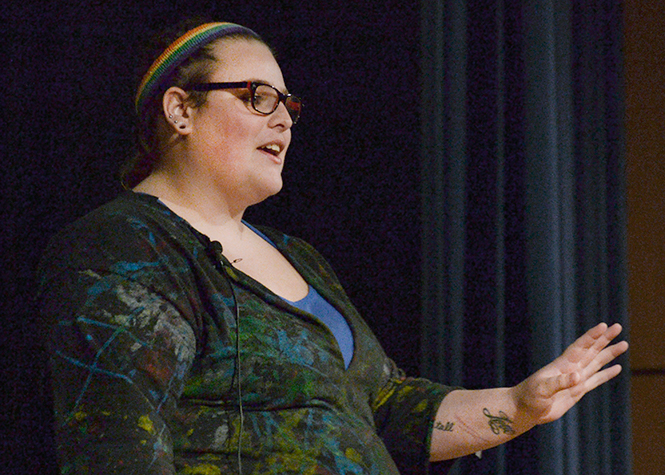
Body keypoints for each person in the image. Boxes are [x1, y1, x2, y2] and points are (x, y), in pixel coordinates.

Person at [37, 19, 628, 475]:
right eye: (257, 97)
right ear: (180, 109)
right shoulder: (127, 245)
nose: (285, 122)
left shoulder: (299, 257)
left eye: (288, 106)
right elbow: (118, 447)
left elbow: (387, 407)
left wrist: (521, 405)